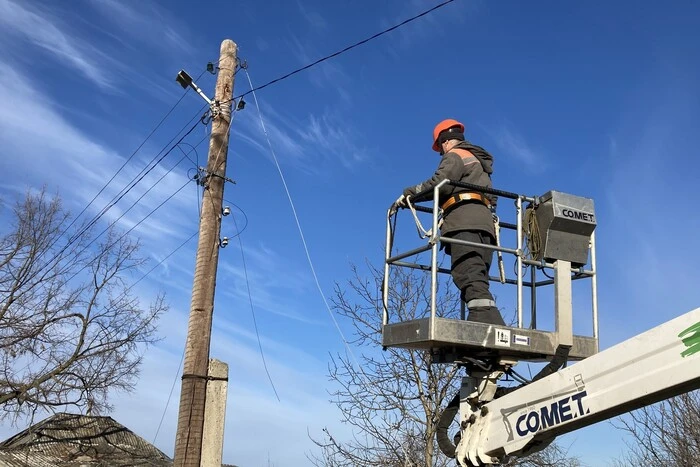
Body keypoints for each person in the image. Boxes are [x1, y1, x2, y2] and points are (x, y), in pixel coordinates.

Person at [392, 119, 505, 326]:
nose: (441, 152)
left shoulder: (455, 155)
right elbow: (493, 199)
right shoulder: (479, 163)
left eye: (439, 148)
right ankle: (483, 320)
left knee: (468, 273)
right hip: (485, 225)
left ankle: (485, 323)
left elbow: (439, 184)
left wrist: (408, 195)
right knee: (478, 275)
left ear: (444, 142)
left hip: (463, 222)